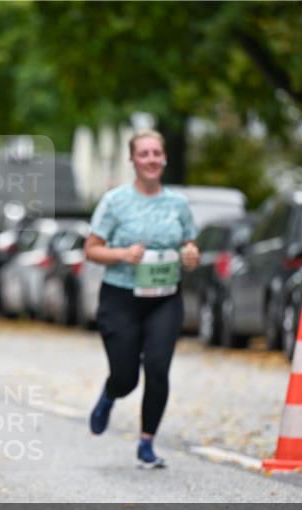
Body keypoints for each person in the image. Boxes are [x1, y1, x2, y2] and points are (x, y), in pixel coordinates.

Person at [84, 129, 200, 469]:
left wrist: (191, 254)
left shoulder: (178, 203)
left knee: (158, 367)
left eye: (156, 154)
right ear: (132, 160)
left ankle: (147, 443)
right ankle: (110, 394)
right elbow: (91, 249)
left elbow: (190, 245)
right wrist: (122, 254)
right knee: (126, 377)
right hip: (121, 298)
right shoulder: (115, 201)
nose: (150, 159)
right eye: (143, 154)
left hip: (165, 297)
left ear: (164, 158)